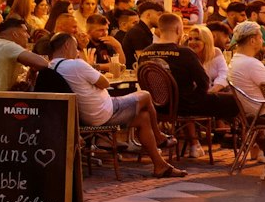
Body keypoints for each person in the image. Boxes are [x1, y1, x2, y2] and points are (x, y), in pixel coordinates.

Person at [43, 31, 182, 177]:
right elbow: (105, 82)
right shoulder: (76, 65)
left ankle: (160, 165)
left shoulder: (51, 66)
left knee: (144, 118)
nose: (77, 51)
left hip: (85, 115)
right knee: (145, 95)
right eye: (76, 47)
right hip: (103, 112)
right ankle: (159, 136)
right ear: (67, 46)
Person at [0, 15, 49, 92]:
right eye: (25, 32)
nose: (28, 36)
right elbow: (44, 64)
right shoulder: (5, 45)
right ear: (15, 34)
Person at [224, 20, 265, 116]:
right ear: (252, 41)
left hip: (249, 111)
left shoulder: (235, 60)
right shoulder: (251, 64)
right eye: (261, 38)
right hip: (262, 112)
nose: (263, 42)